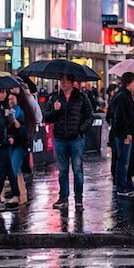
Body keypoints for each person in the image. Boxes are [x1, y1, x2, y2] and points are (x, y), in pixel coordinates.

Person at [44, 75, 95, 210]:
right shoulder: (54, 97)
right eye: (62, 81)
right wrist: (55, 110)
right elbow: (47, 117)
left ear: (73, 83)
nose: (63, 83)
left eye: (66, 81)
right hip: (60, 139)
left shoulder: (81, 97)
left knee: (78, 170)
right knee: (62, 171)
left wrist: (81, 130)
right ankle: (63, 198)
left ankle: (78, 199)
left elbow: (90, 115)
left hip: (76, 139)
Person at [108, 73, 134, 197]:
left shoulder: (123, 96)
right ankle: (122, 187)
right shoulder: (123, 97)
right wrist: (127, 133)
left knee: (122, 160)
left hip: (122, 133)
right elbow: (121, 117)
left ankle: (123, 184)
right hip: (122, 134)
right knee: (123, 160)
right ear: (128, 83)